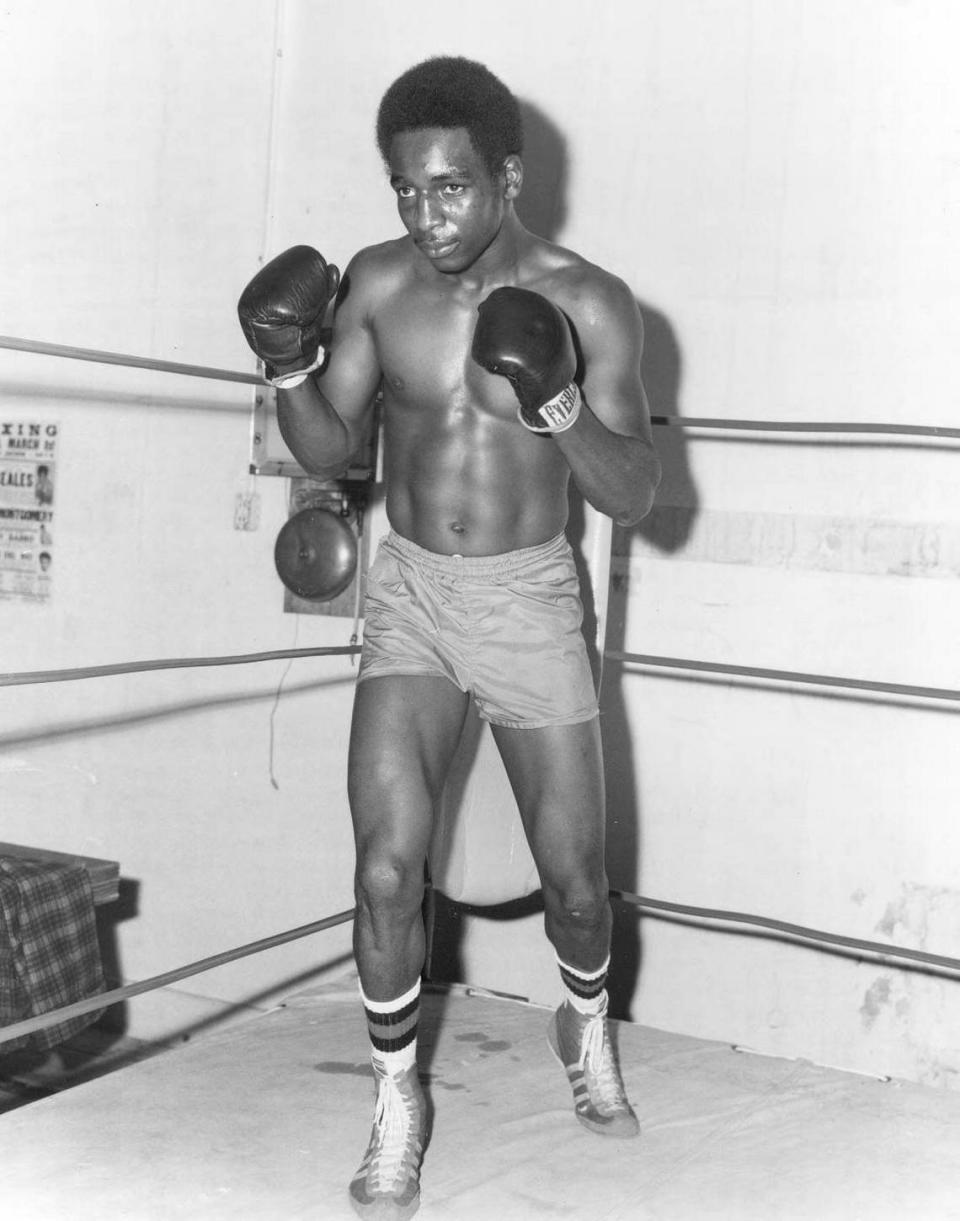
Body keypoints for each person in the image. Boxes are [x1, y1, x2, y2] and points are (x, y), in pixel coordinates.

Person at [238, 55, 661, 1221]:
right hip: (413, 593)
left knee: (576, 888)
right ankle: (395, 1100)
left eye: (452, 189)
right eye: (405, 191)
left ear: (508, 175)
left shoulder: (591, 301)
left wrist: (559, 404)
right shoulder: (378, 287)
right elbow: (330, 453)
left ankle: (586, 1023)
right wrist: (288, 365)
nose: (428, 218)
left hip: (528, 598)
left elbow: (632, 497)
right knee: (384, 867)